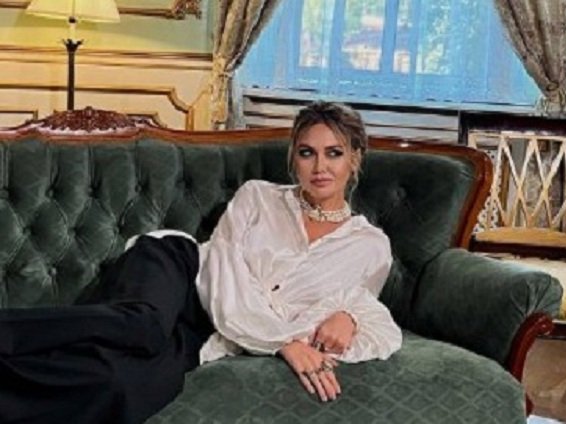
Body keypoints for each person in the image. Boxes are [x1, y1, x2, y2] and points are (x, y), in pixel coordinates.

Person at [0, 101, 401, 424]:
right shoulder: (258, 196)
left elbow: (366, 311)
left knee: (121, 386)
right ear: (293, 158)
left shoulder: (370, 247)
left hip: (210, 333)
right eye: (307, 153)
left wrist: (349, 317)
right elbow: (226, 270)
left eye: (334, 153)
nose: (319, 167)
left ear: (355, 159)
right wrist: (282, 341)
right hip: (182, 271)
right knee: (142, 326)